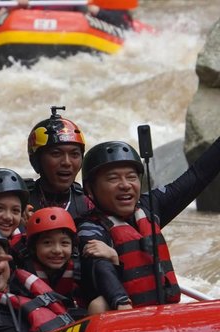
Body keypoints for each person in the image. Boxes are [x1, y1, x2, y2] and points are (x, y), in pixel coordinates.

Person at [77, 137, 220, 311]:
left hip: (161, 313)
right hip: (122, 314)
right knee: (99, 305)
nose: (125, 185)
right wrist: (121, 301)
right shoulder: (90, 228)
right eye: (113, 179)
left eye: (131, 177)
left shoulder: (150, 207)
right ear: (90, 190)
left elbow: (198, 176)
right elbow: (101, 268)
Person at [23, 206, 119, 317]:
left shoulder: (80, 266)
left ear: (73, 246)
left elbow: (108, 286)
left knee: (101, 303)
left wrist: (114, 258)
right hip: (41, 326)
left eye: (64, 243)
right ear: (34, 247)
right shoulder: (24, 268)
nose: (57, 250)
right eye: (47, 243)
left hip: (76, 324)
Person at [26, 106, 94, 220]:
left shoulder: (89, 205)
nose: (67, 162)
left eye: (74, 154)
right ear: (36, 160)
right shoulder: (18, 205)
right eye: (56, 154)